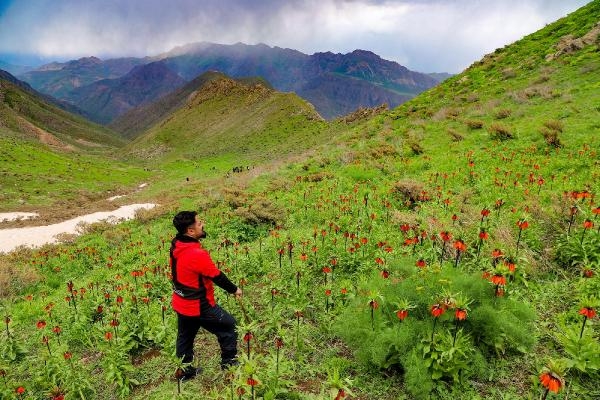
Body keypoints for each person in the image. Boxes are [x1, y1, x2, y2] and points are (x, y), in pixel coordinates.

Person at [170, 211, 242, 380]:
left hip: (181, 300)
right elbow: (216, 276)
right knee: (229, 326)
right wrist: (235, 289)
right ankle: (229, 363)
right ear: (191, 231)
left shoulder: (177, 244)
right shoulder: (196, 254)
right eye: (199, 223)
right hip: (198, 304)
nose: (202, 224)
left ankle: (184, 372)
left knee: (185, 337)